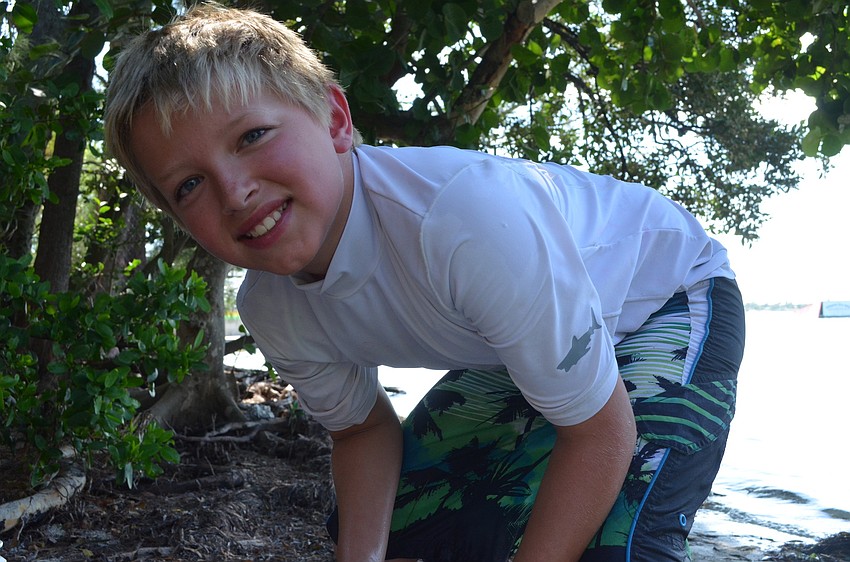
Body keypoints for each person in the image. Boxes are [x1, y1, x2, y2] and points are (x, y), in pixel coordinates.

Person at [104, 4, 745, 561]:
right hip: (511, 351)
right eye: (189, 185)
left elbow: (601, 432)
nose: (234, 191)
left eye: (252, 136)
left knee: (618, 545)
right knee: (399, 525)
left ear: (334, 120)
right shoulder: (272, 306)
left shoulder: (461, 221)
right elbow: (360, 430)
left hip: (663, 295)